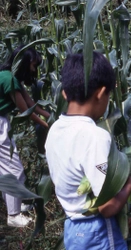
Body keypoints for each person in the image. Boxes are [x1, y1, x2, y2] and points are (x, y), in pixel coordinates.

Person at [45, 52, 131, 249]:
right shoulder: (95, 137)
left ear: (64, 94)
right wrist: (129, 183)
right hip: (99, 233)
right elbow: (107, 206)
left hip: (73, 229)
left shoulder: (54, 131)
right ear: (101, 93)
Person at [0, 45, 50, 227]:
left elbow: (30, 102)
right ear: (25, 63)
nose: (35, 70)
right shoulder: (9, 80)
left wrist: (50, 117)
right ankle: (13, 216)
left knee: (7, 169)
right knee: (13, 170)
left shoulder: (11, 77)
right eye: (34, 65)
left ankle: (17, 206)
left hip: (2, 121)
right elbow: (26, 110)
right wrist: (50, 126)